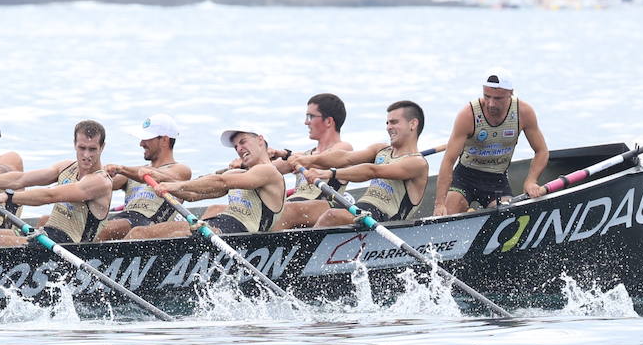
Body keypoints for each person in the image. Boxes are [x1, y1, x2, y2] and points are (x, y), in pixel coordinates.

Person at [0, 120, 113, 248]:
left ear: (102, 147)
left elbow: (50, 195)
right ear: (74, 144)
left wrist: (5, 196)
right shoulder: (66, 167)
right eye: (82, 148)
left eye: (92, 149)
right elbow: (21, 179)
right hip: (46, 235)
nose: (86, 155)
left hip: (71, 246)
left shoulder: (100, 181)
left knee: (1, 242)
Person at [126, 126, 285, 239]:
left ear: (260, 140)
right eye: (236, 146)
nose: (239, 148)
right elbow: (192, 195)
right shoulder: (238, 173)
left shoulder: (268, 171)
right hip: (219, 224)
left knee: (177, 236)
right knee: (140, 233)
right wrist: (161, 178)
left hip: (241, 235)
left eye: (243, 142)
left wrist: (175, 185)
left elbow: (221, 181)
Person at [433, 68, 550, 216]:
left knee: (507, 215)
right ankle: (466, 211)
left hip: (496, 178)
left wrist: (531, 181)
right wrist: (440, 204)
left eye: (498, 98)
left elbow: (542, 151)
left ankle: (474, 213)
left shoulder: (524, 112)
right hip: (465, 176)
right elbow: (448, 161)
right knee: (451, 209)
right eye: (487, 96)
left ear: (511, 93)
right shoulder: (468, 115)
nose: (491, 104)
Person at [304, 101, 429, 227]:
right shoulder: (381, 149)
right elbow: (345, 158)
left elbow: (372, 171)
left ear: (413, 124)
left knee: (331, 216)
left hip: (385, 220)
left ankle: (306, 247)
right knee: (302, 210)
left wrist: (329, 173)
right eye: (387, 123)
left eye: (394, 122)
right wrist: (308, 160)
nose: (388, 127)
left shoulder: (417, 163)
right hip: (361, 209)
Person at [97, 113, 191, 240]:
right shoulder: (132, 173)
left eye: (147, 138)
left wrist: (121, 169)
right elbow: (101, 186)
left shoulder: (180, 170)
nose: (141, 143)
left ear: (164, 140)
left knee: (112, 227)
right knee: (97, 227)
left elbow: (157, 175)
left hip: (151, 225)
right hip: (127, 218)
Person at [271, 93, 355, 231]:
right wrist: (247, 164)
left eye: (310, 116)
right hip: (293, 208)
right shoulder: (303, 156)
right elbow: (267, 170)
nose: (306, 122)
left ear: (328, 121)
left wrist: (288, 155)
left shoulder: (344, 148)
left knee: (285, 210)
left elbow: (326, 159)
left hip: (326, 206)